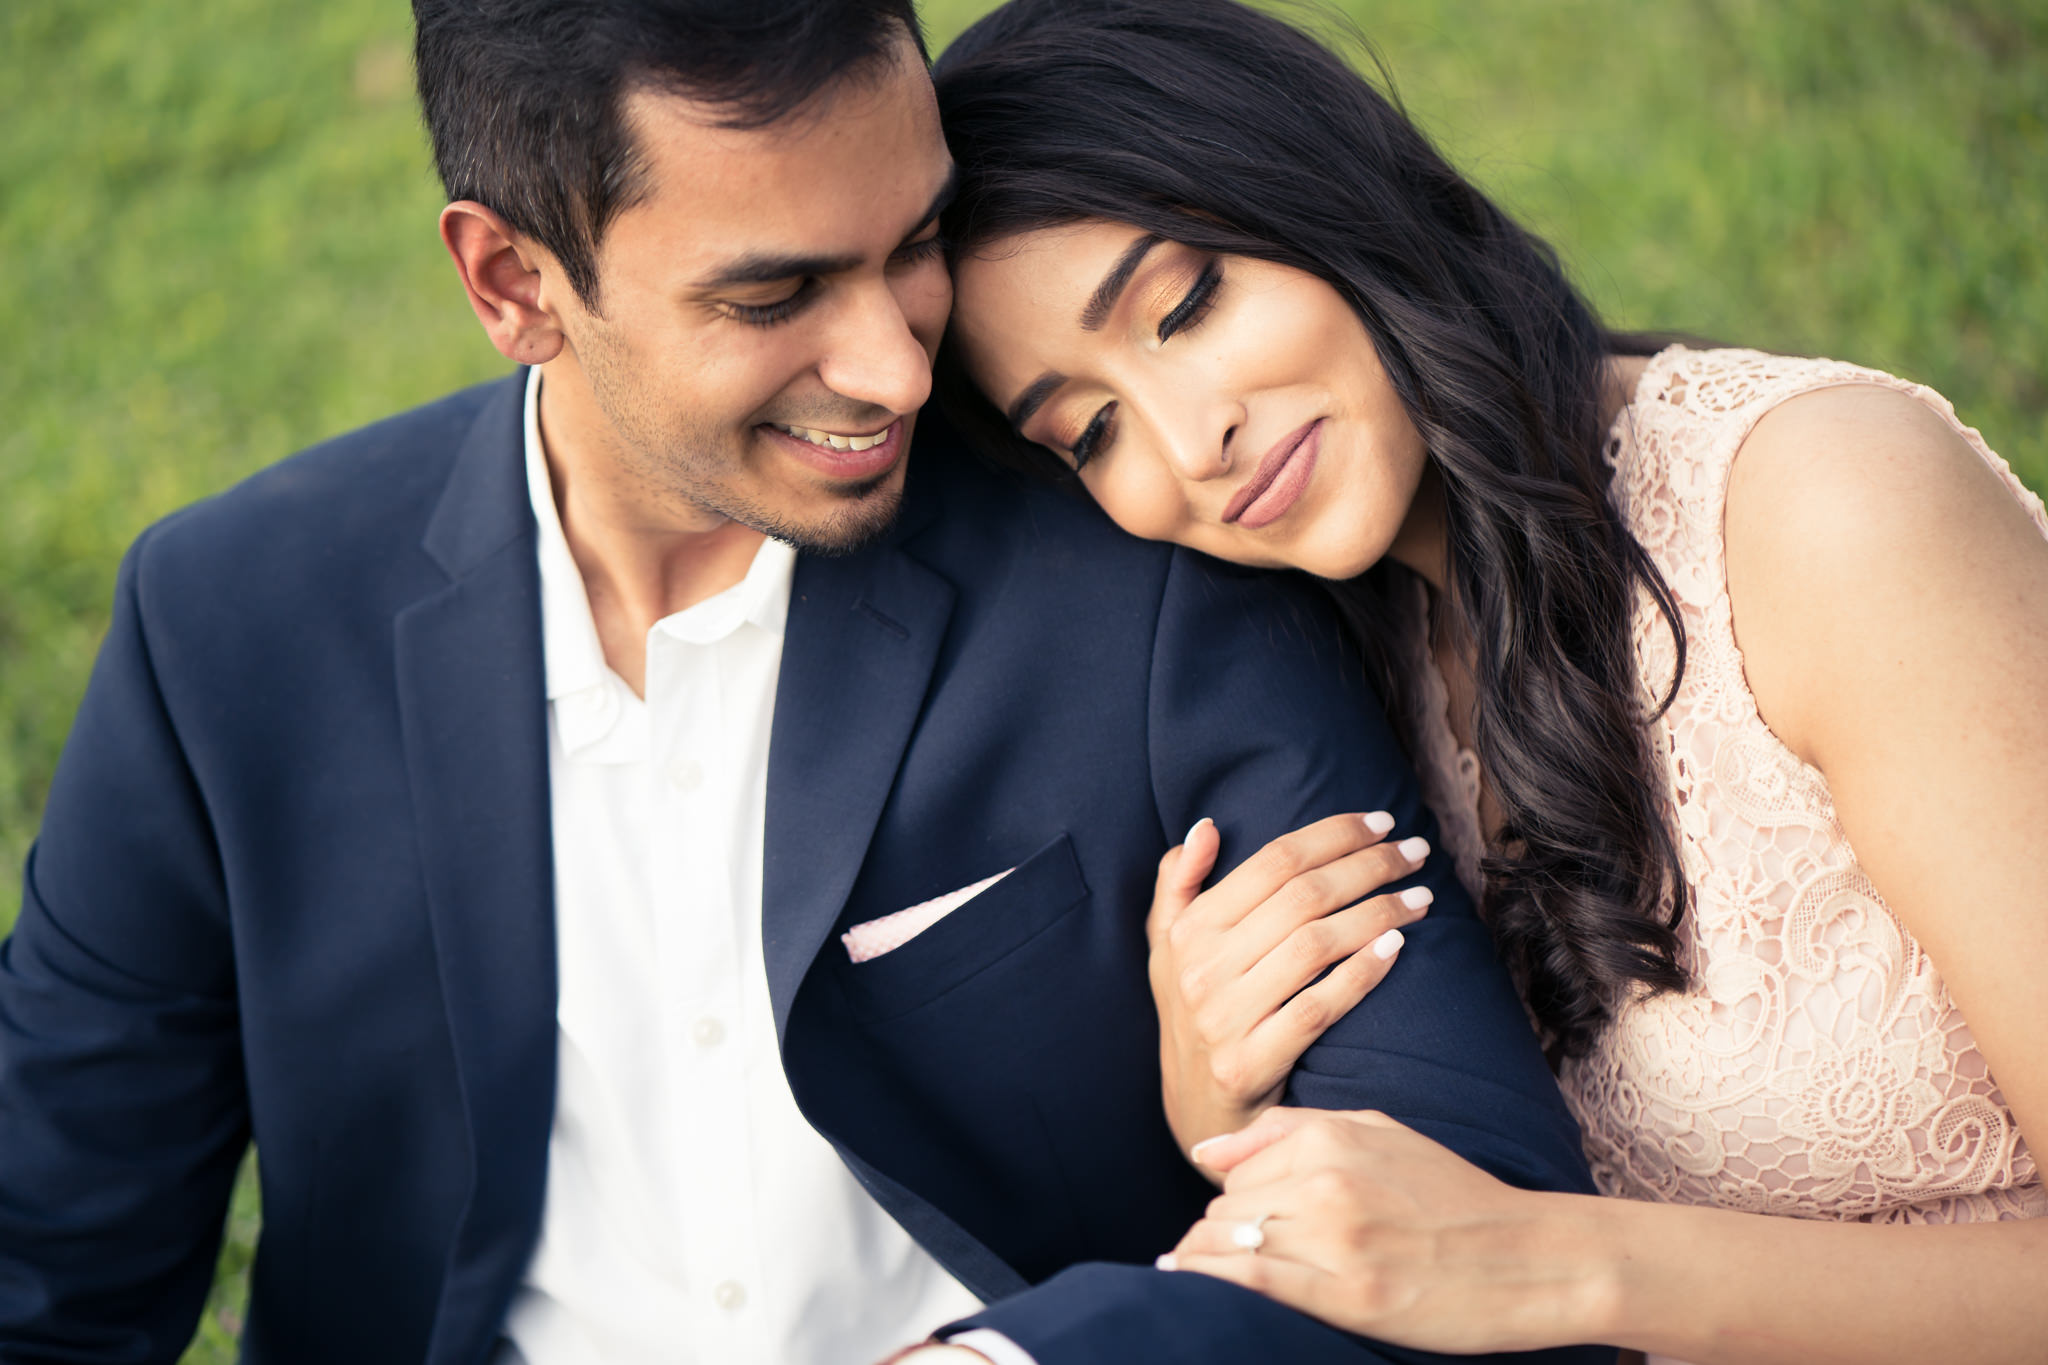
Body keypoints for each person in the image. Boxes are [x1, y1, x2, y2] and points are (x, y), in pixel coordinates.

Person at [0, 4, 1614, 1364]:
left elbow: (1469, 1184)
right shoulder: (226, 624)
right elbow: (51, 1268)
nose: (901, 369)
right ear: (511, 284)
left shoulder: (1136, 539)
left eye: (913, 244)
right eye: (773, 296)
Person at [932, 1, 2048, 1362]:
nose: (1192, 437)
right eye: (1091, 429)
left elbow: (1499, 1256)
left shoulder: (1828, 515)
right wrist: (1215, 1098)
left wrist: (1565, 1268)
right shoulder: (1329, 674)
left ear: (1319, 184)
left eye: (1186, 303)